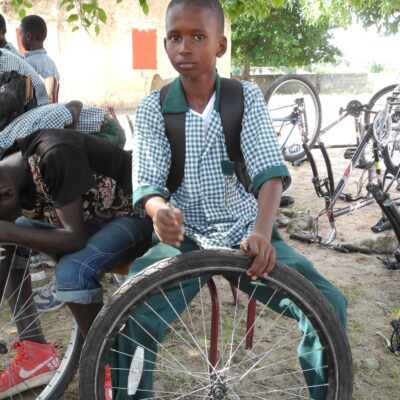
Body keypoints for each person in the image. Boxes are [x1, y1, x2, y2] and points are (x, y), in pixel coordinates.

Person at [111, 1, 348, 399]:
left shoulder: (244, 98)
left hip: (246, 233)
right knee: (129, 313)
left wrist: (262, 231)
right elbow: (149, 185)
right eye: (174, 37)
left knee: (327, 304)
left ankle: (332, 390)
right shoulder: (155, 107)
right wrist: (159, 212)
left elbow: (270, 173)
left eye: (197, 37)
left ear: (220, 46)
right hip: (184, 237)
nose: (183, 48)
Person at [0, 128, 152, 399]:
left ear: (5, 194)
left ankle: (112, 363)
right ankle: (36, 353)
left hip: (133, 215)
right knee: (9, 245)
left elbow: (73, 238)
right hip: (92, 220)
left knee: (73, 271)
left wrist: (7, 231)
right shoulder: (10, 166)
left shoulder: (53, 154)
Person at [20, 15, 60, 82]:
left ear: (28, 36)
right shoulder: (51, 63)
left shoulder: (27, 64)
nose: (20, 37)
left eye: (20, 34)